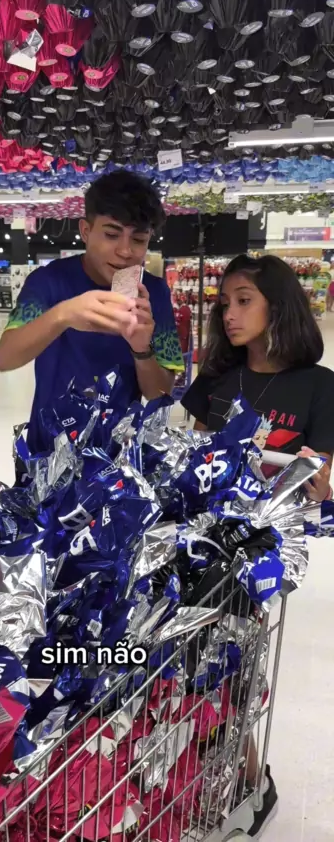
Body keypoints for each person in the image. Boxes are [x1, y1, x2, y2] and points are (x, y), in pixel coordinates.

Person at [182, 253, 334, 838]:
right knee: (190, 665)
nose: (230, 314)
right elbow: (190, 461)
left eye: (244, 300)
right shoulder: (218, 380)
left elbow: (319, 485)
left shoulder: (319, 387)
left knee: (233, 668)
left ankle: (245, 776)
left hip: (260, 556)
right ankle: (224, 774)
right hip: (199, 543)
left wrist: (314, 482)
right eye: (224, 303)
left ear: (279, 306)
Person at [0, 170, 184, 449]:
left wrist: (142, 349)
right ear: (85, 231)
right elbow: (4, 359)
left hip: (117, 455)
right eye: (111, 234)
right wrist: (63, 315)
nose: (125, 251)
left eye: (138, 240)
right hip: (50, 449)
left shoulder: (153, 292)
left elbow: (160, 395)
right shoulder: (49, 281)